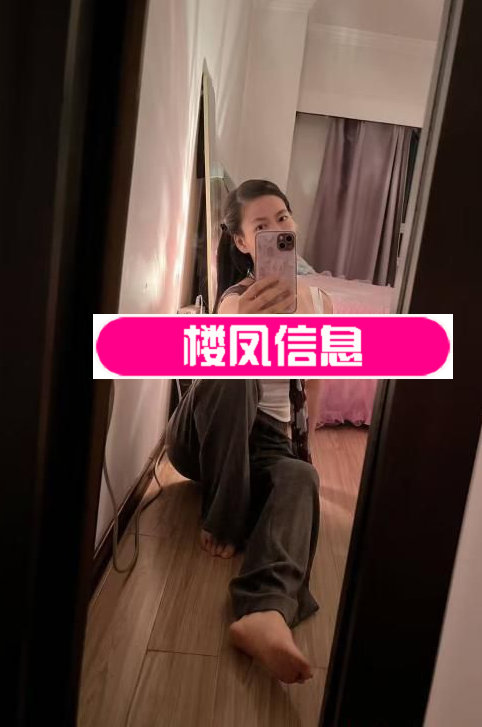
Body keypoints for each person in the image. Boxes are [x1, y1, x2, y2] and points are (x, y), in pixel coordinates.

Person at [166, 180, 331, 685]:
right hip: (203, 435)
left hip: (269, 441)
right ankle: (224, 518)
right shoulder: (234, 300)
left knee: (300, 478)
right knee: (235, 367)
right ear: (241, 242)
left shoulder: (320, 303)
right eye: (261, 226)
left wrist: (302, 455)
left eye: (283, 218)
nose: (277, 229)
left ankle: (267, 612)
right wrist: (245, 323)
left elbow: (315, 386)